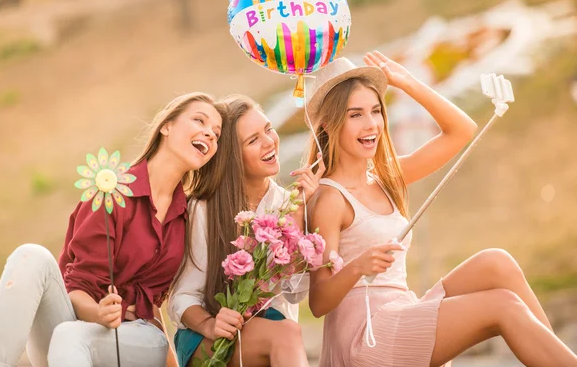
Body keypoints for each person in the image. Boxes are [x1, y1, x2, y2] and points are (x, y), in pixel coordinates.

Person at [307, 54, 577, 366]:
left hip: (399, 311)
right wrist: (358, 266)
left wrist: (407, 83)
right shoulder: (330, 198)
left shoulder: (386, 178)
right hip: (365, 336)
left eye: (376, 111)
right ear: (328, 125)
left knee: (496, 263)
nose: (371, 124)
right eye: (355, 115)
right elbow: (319, 301)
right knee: (503, 306)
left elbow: (462, 130)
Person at [0, 92, 224, 367]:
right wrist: (99, 313)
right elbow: (77, 284)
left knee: (72, 336)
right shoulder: (111, 192)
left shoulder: (189, 215)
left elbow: (157, 303)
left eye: (216, 132)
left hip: (138, 338)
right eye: (199, 120)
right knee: (31, 255)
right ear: (167, 126)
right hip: (72, 329)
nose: (210, 134)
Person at [169, 94, 325, 367]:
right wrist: (210, 324)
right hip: (206, 338)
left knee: (286, 331)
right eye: (253, 140)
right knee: (287, 333)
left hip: (271, 336)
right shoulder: (203, 209)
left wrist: (298, 214)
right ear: (232, 157)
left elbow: (294, 293)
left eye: (268, 129)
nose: (269, 142)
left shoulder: (287, 204)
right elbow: (181, 297)